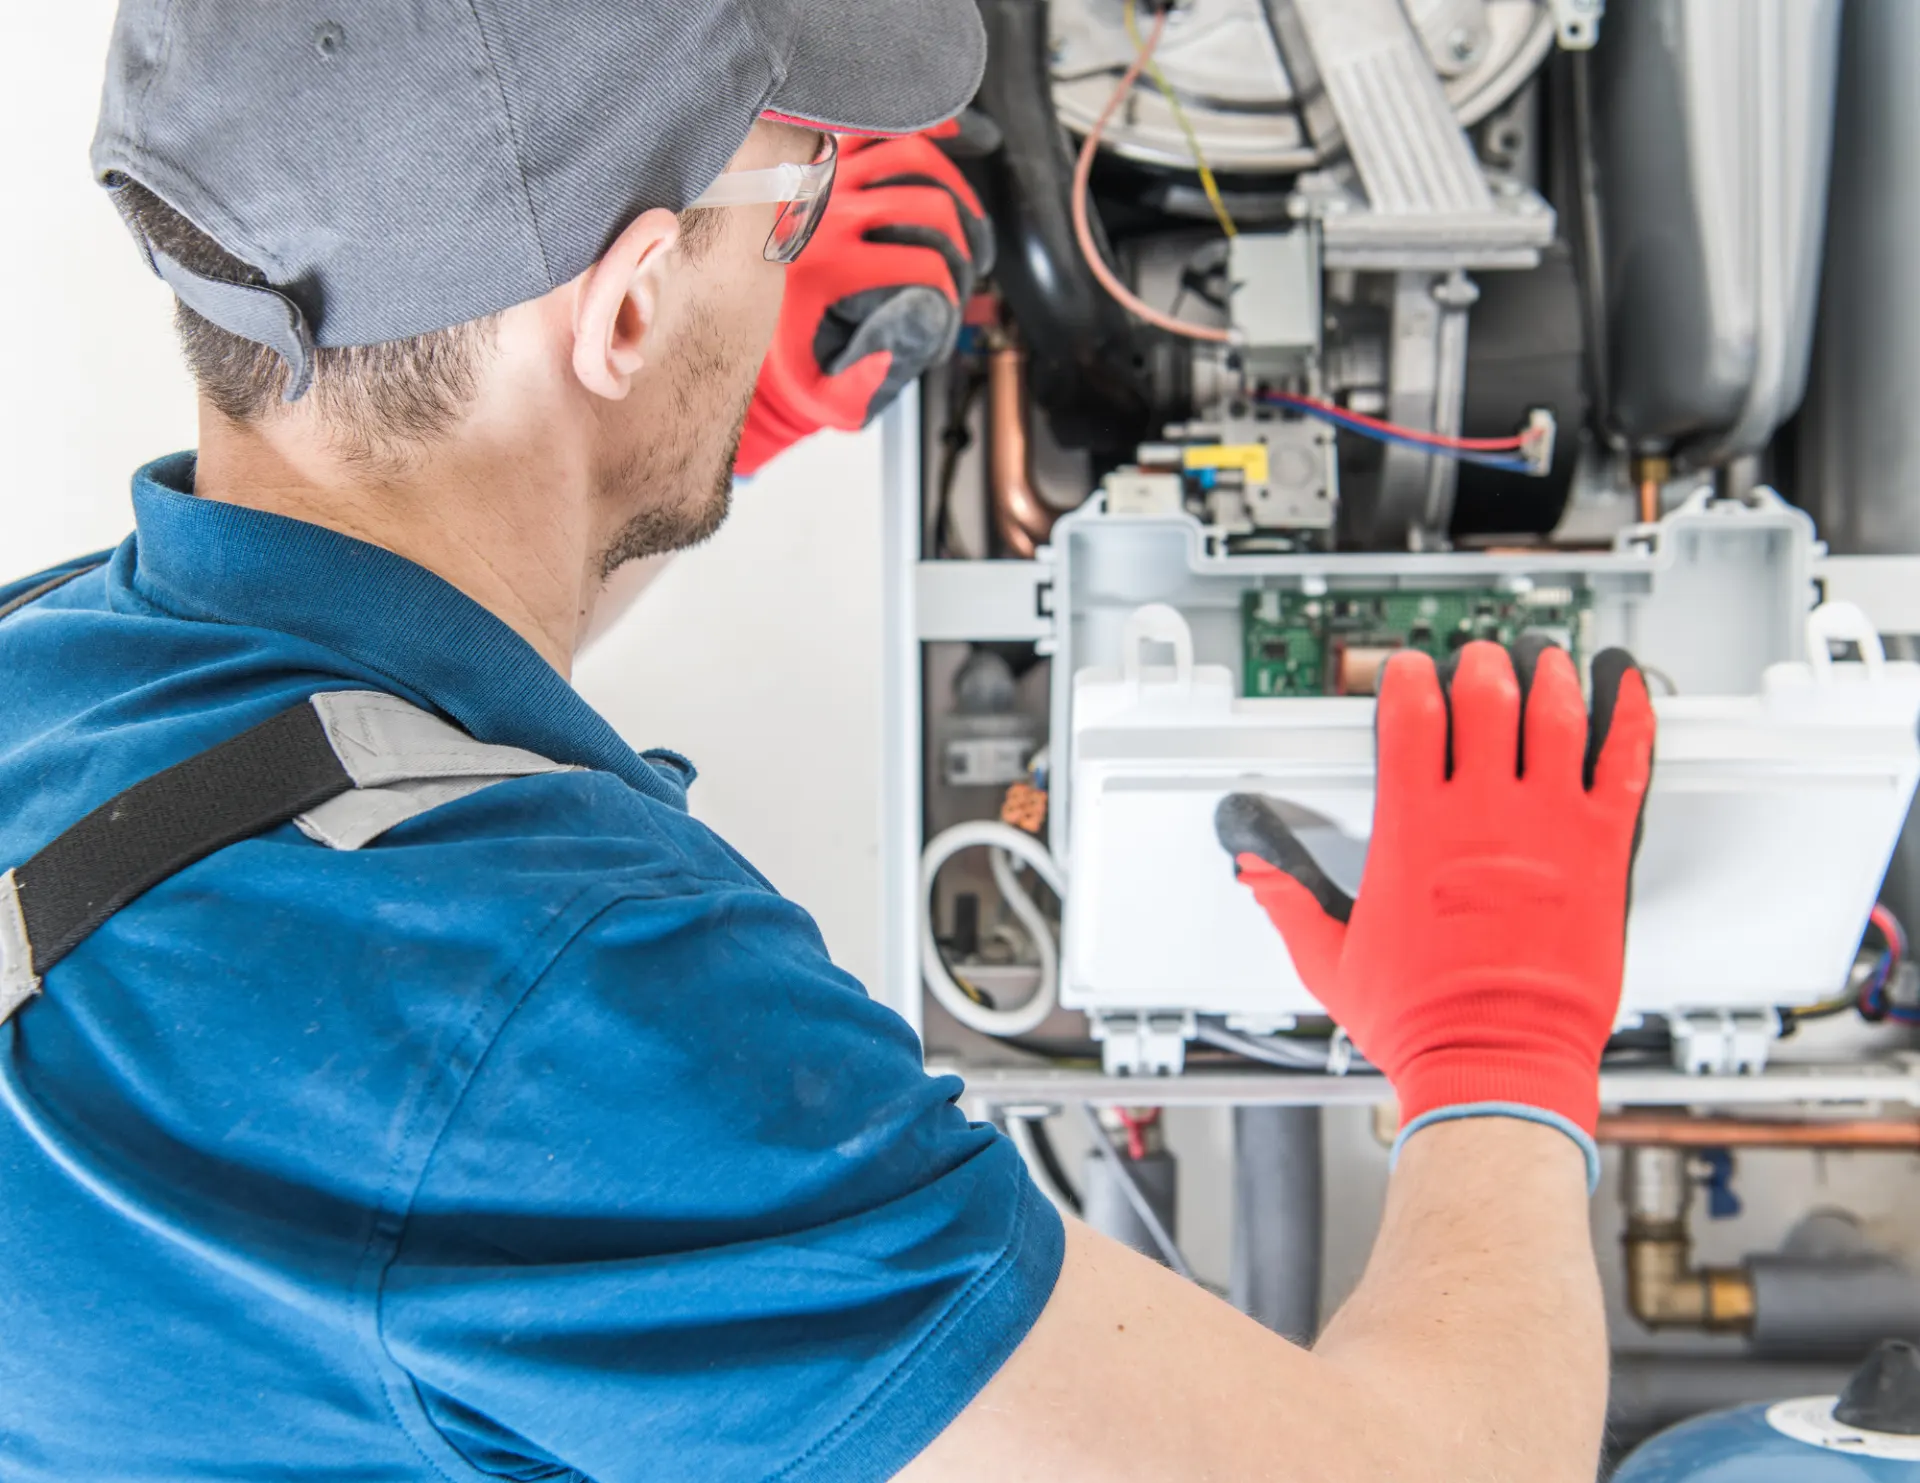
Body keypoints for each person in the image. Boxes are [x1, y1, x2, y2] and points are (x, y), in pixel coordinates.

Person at [0, 2, 1655, 1479]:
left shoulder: (58, 664)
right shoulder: (571, 1019)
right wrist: (1501, 1050)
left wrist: (689, 430)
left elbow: (361, 719)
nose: (805, 244)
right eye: (793, 198)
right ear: (625, 308)